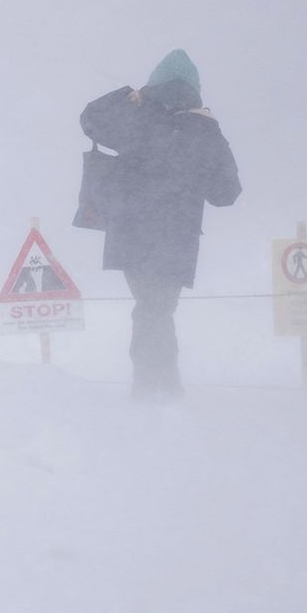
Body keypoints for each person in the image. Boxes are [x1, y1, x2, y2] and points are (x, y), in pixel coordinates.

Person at [81, 50, 242, 400]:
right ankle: (162, 387)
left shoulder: (137, 119)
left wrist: (128, 95)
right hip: (176, 239)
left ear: (154, 84)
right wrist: (209, 132)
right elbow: (227, 193)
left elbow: (90, 119)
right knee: (158, 309)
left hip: (131, 234)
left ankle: (152, 387)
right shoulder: (204, 131)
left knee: (150, 308)